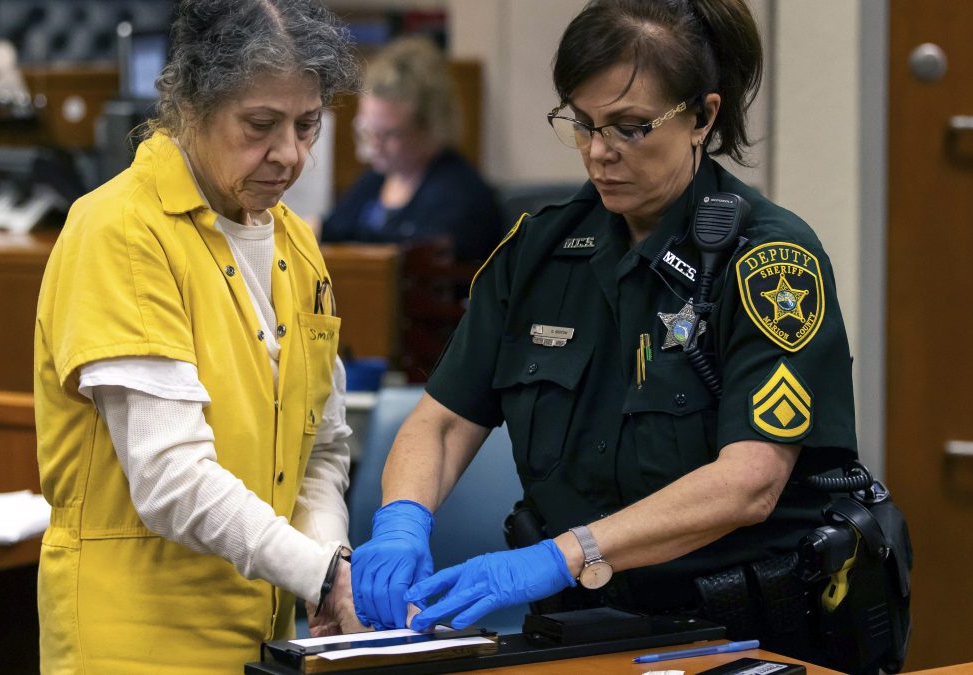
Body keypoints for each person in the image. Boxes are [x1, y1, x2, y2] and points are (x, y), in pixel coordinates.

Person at [351, 0, 860, 667]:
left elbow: (749, 481)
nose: (599, 152)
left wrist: (567, 553)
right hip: (576, 633)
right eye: (583, 124)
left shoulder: (767, 262)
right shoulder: (538, 251)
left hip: (734, 636)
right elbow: (444, 422)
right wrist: (401, 521)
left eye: (630, 127)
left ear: (702, 117)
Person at [34, 1, 364, 672]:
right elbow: (170, 478)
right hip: (133, 646)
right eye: (260, 126)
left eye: (307, 125)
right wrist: (322, 572)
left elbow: (322, 448)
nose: (290, 154)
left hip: (264, 640)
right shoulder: (120, 231)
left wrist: (328, 563)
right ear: (189, 106)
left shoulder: (299, 245)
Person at [319, 36, 505, 262]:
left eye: (390, 135)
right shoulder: (375, 180)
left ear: (431, 128)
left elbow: (416, 256)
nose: (375, 145)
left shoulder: (461, 194)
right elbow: (331, 230)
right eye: (367, 131)